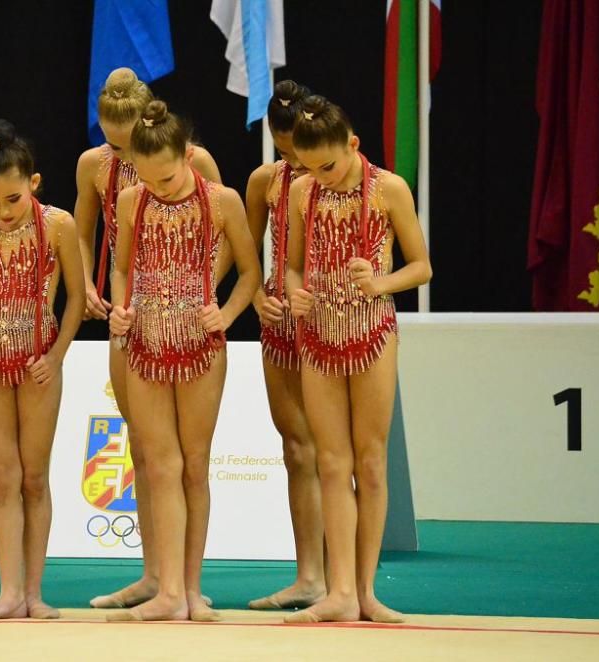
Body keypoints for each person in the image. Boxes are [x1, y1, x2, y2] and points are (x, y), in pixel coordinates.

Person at [74, 68, 223, 609]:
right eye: (112, 145)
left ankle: (188, 585)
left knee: (188, 457)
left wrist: (208, 296)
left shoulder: (195, 160)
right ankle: (154, 577)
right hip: (131, 316)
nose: (122, 156)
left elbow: (224, 233)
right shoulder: (95, 165)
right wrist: (92, 289)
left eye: (128, 144)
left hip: (185, 315)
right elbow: (84, 231)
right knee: (146, 448)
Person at [108, 100, 261, 621]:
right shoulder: (133, 201)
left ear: (187, 156)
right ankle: (168, 592)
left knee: (195, 468)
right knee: (161, 466)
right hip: (145, 347)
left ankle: (192, 591)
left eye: (168, 178)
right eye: (149, 181)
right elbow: (122, 267)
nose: (159, 189)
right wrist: (121, 308)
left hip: (200, 348)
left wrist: (227, 313)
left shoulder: (222, 201)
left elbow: (249, 272)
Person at [283, 95, 431, 623]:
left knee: (369, 462)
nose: (319, 176)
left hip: (372, 332)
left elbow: (421, 267)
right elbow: (293, 267)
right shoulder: (303, 193)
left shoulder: (389, 189)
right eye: (308, 167)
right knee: (331, 462)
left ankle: (367, 591)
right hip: (318, 335)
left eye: (329, 165)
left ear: (353, 144)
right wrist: (295, 292)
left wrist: (379, 282)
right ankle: (339, 592)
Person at [0, 119, 85, 621]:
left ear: (33, 183)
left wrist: (56, 355)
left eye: (12, 199)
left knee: (34, 478)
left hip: (37, 369)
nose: (2, 211)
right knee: (3, 478)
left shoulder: (58, 225)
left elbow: (75, 297)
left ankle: (33, 593)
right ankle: (8, 593)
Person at [244, 80, 326, 611]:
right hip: (280, 323)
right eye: (285, 150)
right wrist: (255, 295)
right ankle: (310, 576)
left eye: (301, 148)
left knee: (334, 454)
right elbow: (244, 251)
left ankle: (347, 578)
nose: (295, 159)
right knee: (297, 450)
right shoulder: (264, 181)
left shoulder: (338, 177)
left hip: (333, 321)